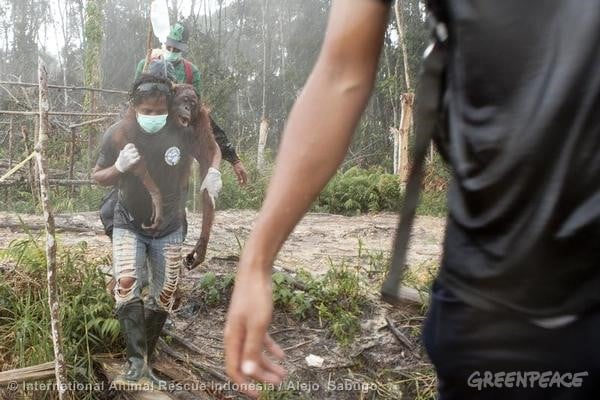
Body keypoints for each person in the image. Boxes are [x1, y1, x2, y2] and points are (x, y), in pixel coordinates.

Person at [223, 0, 600, 398]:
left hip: (499, 295)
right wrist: (257, 260)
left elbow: (342, 75)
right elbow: (341, 72)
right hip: (501, 298)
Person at [93, 73, 222, 388]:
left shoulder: (182, 131)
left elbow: (211, 147)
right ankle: (135, 360)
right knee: (126, 284)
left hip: (170, 227)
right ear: (135, 107)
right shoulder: (119, 133)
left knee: (164, 295)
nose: (152, 117)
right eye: (146, 111)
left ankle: (147, 358)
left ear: (167, 106)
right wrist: (119, 167)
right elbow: (97, 176)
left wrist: (215, 168)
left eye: (158, 111)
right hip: (128, 221)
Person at [135, 22, 248, 186]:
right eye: (169, 47)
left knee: (178, 184)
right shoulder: (146, 64)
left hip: (176, 137)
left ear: (183, 49)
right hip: (148, 130)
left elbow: (201, 118)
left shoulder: (190, 72)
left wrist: (233, 159)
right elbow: (133, 102)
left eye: (176, 49)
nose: (172, 52)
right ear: (164, 43)